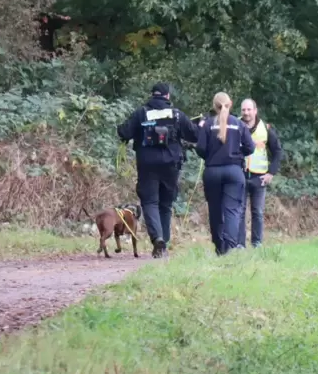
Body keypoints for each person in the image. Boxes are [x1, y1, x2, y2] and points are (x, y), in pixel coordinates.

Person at [117, 83, 199, 258]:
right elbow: (194, 135)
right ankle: (164, 243)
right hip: (171, 165)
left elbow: (124, 132)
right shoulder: (177, 114)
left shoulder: (141, 113)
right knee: (166, 205)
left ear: (152, 95)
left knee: (150, 202)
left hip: (147, 164)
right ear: (167, 96)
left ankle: (158, 239)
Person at [195, 92, 255, 255]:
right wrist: (237, 153)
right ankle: (230, 247)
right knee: (232, 211)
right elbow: (250, 147)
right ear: (231, 104)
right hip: (234, 172)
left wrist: (211, 155)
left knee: (215, 210)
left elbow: (200, 149)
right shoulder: (238, 124)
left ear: (214, 106)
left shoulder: (207, 125)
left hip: (212, 172)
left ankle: (219, 247)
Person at [237, 98, 283, 248]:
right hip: (239, 175)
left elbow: (277, 151)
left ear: (255, 111)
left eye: (249, 110)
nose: (246, 113)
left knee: (257, 212)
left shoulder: (266, 128)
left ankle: (257, 243)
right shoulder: (235, 125)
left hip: (259, 177)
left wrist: (271, 173)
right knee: (239, 211)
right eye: (244, 110)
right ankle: (239, 245)